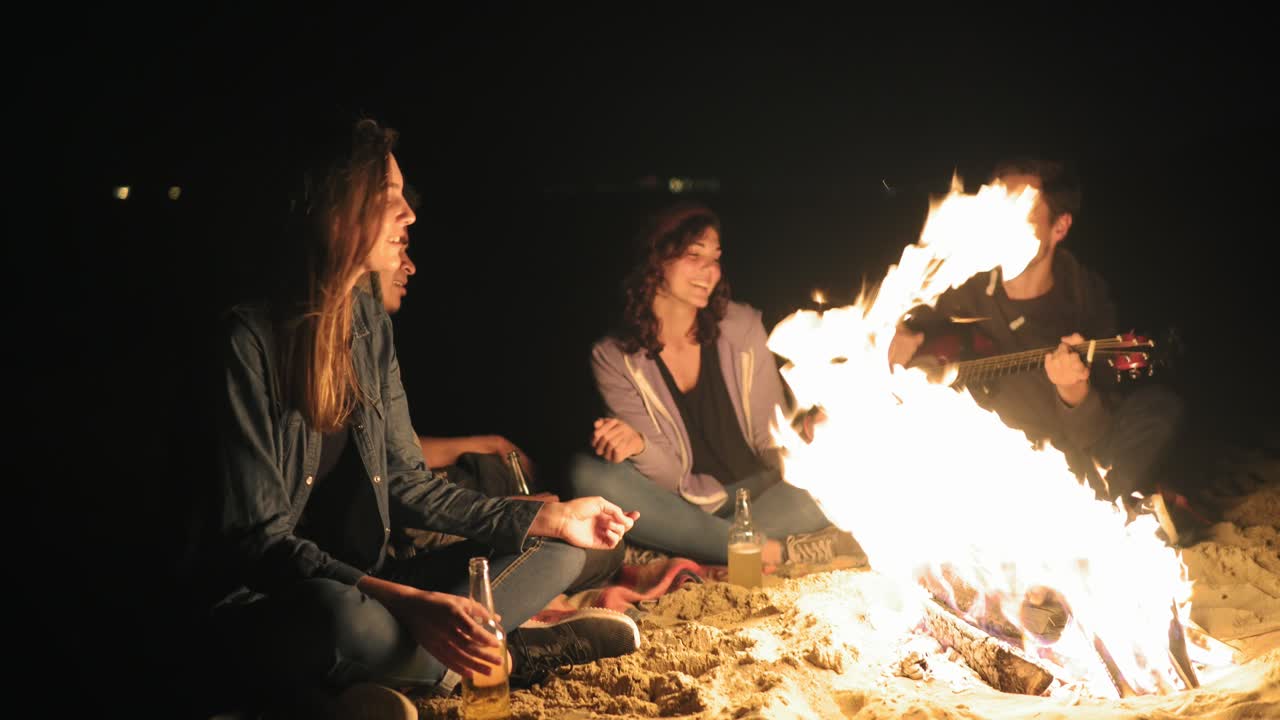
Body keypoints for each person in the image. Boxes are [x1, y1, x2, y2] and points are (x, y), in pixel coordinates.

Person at [196, 117, 642, 719]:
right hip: (286, 603)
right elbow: (263, 544)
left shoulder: (367, 323)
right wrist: (408, 601)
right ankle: (510, 654)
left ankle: (380, 684)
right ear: (332, 211)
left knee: (560, 549)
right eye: (389, 201)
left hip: (380, 582)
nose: (409, 215)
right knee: (341, 622)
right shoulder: (245, 341)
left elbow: (407, 483)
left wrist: (546, 516)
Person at [887, 156, 1186, 514]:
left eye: (1020, 210)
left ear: (1059, 227)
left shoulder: (1086, 298)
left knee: (1158, 409)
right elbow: (906, 332)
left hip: (1062, 455)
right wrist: (896, 339)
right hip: (979, 455)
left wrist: (1073, 393)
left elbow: (1092, 438)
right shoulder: (961, 284)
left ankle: (1107, 511)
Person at [569, 201, 855, 567]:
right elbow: (670, 475)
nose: (711, 271)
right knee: (587, 475)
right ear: (656, 260)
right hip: (677, 500)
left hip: (761, 494)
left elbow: (769, 438)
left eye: (716, 258)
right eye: (694, 255)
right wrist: (638, 445)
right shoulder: (614, 356)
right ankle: (754, 547)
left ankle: (696, 541)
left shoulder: (743, 328)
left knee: (842, 474)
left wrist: (807, 439)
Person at [374, 230, 625, 587]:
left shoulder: (374, 343)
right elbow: (403, 497)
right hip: (406, 549)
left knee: (600, 543)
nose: (410, 266)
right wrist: (523, 514)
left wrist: (490, 446)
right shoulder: (323, 358)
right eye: (398, 243)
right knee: (570, 544)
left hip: (436, 515)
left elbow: (402, 462)